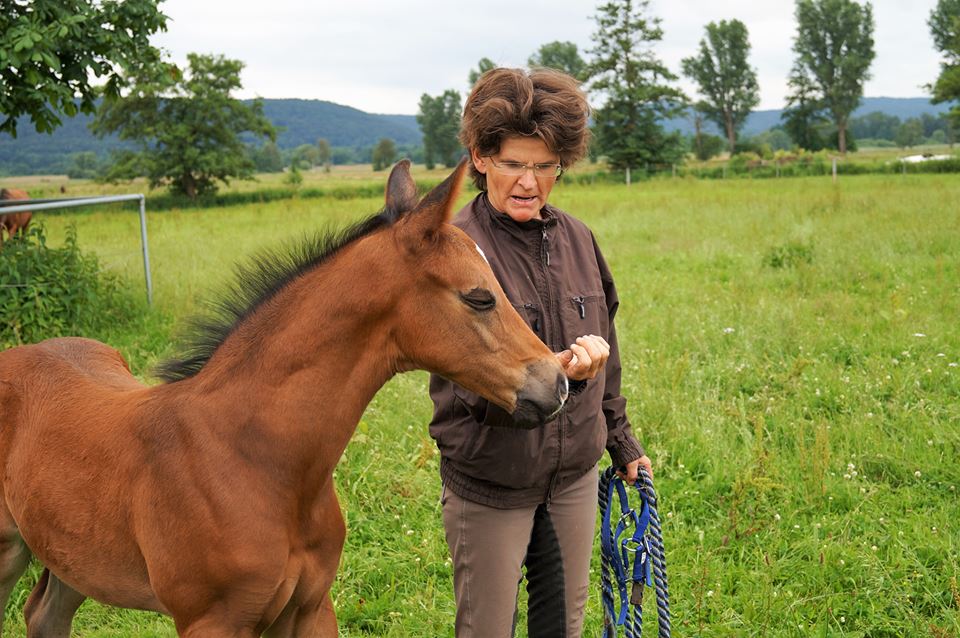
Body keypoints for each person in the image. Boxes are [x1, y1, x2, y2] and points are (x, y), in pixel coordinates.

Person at [428, 67, 653, 638]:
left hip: (572, 477)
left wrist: (621, 441)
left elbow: (609, 349)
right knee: (487, 630)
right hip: (492, 481)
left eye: (545, 166)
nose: (529, 182)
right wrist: (560, 375)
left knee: (564, 628)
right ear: (480, 158)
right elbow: (471, 392)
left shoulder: (579, 239)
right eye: (513, 164)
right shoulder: (456, 252)